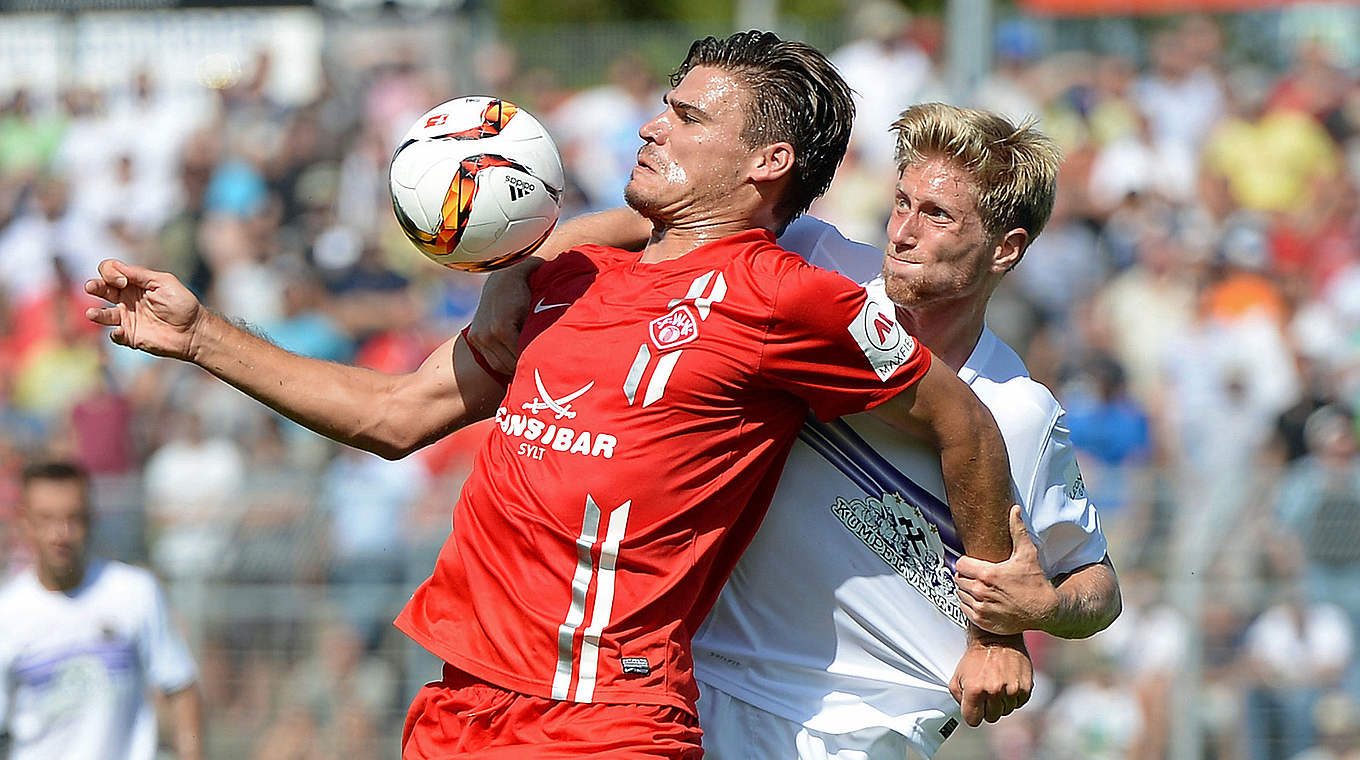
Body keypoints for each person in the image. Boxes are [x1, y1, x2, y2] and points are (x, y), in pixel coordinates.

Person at [84, 32, 1026, 758]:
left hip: (603, 715)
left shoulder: (789, 297)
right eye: (663, 107)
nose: (653, 126)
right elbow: (392, 416)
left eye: (690, 117)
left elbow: (964, 420)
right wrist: (201, 337)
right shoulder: (569, 277)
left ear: (768, 162)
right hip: (458, 699)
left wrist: (995, 628)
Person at [469, 102, 1122, 759]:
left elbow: (1096, 586)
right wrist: (519, 269)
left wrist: (1038, 608)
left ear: (1005, 249)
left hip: (857, 729)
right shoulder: (816, 262)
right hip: (694, 680)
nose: (902, 231)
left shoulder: (1018, 411)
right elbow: (656, 221)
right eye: (902, 203)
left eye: (937, 215)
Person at [0, 460, 203, 760]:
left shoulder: (135, 591)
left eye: (73, 518)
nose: (61, 534)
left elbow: (180, 686)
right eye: (46, 519)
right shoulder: (8, 612)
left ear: (91, 518)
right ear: (25, 522)